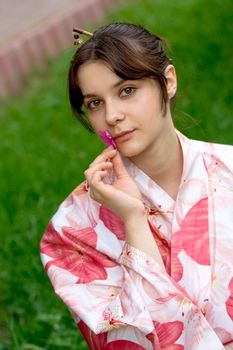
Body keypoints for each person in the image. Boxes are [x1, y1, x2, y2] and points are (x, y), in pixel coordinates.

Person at [40, 23, 233, 349]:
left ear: (168, 82)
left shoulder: (228, 169)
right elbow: (133, 342)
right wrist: (133, 220)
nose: (112, 115)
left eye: (127, 90)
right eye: (95, 103)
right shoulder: (72, 230)